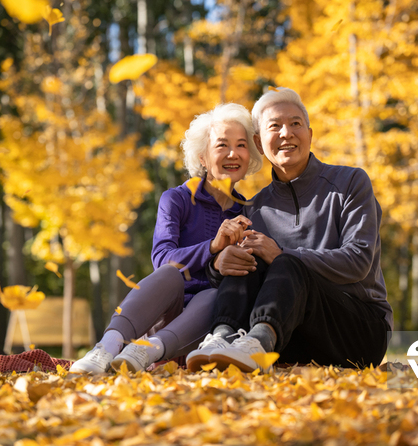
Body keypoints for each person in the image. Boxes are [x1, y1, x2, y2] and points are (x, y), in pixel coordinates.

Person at [186, 88, 393, 372]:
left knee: (286, 261)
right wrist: (217, 265)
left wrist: (282, 254)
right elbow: (240, 280)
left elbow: (357, 262)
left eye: (295, 124)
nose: (287, 133)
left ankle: (257, 344)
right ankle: (222, 338)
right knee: (248, 260)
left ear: (309, 133)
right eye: (275, 126)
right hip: (290, 336)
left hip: (358, 331)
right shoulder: (254, 208)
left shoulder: (350, 183)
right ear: (259, 143)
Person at [70, 103, 262, 374]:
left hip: (205, 327)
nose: (233, 153)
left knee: (214, 294)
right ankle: (106, 346)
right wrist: (213, 247)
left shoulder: (251, 212)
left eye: (241, 145)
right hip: (164, 312)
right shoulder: (177, 199)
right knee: (171, 273)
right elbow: (161, 258)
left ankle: (146, 351)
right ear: (203, 157)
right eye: (222, 145)